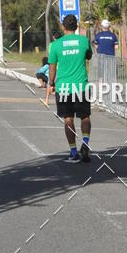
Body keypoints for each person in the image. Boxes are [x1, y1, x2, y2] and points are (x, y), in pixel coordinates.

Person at [48, 14, 93, 163]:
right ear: (76, 26)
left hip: (64, 88)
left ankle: (73, 152)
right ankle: (85, 143)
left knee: (68, 119)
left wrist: (51, 83)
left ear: (63, 26)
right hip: (81, 86)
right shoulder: (84, 41)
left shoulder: (55, 45)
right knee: (85, 117)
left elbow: (52, 69)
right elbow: (88, 56)